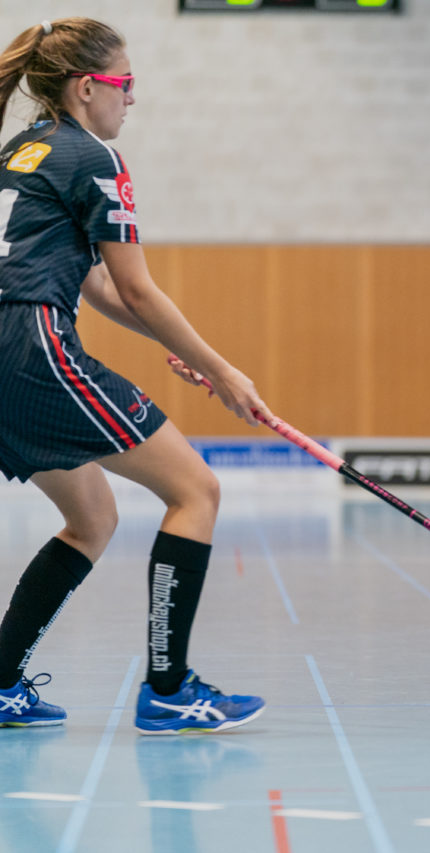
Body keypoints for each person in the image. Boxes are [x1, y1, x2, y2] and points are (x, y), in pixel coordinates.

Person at [0, 18, 273, 733]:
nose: (132, 100)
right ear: (88, 88)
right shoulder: (94, 157)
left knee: (91, 518)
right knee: (196, 489)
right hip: (31, 348)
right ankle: (170, 688)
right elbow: (141, 289)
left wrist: (169, 344)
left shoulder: (21, 150)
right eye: (126, 85)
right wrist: (222, 372)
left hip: (7, 352)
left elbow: (96, 286)